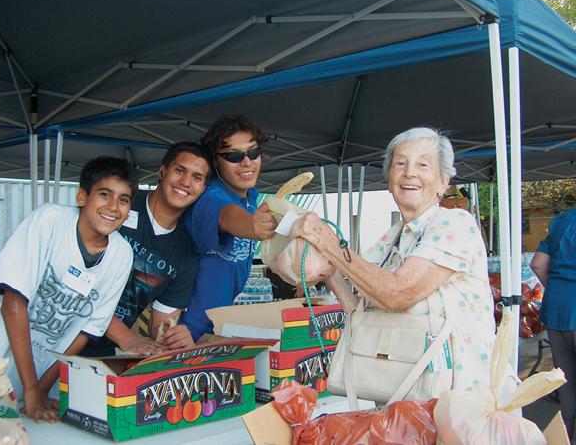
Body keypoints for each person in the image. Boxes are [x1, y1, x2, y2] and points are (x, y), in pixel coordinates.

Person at [291, 127, 495, 391]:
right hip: (405, 393)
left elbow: (398, 294)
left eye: (423, 164)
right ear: (389, 180)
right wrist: (332, 274)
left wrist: (329, 243)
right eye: (400, 163)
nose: (409, 172)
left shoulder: (454, 224)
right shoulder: (392, 238)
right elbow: (366, 316)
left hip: (458, 398)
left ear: (444, 181)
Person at [0, 156, 137, 423]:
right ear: (82, 197)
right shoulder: (50, 220)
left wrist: (40, 389)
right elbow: (13, 305)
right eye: (104, 195)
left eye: (123, 200)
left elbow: (87, 330)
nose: (113, 207)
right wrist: (32, 389)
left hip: (44, 383)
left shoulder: (122, 254)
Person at [81, 142, 213, 357]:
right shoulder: (120, 203)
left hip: (106, 353)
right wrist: (126, 337)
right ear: (162, 170)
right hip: (60, 328)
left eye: (197, 178)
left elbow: (161, 326)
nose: (186, 182)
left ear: (203, 189)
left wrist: (174, 339)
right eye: (179, 170)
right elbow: (75, 279)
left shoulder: (186, 255)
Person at [181, 115, 276, 341]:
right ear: (214, 161)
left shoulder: (251, 197)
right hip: (186, 333)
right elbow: (226, 217)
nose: (246, 162)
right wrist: (251, 225)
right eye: (233, 155)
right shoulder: (209, 197)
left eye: (253, 152)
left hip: (217, 329)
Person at [531, 211, 576, 442]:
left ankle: (566, 437)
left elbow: (538, 264)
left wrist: (560, 289)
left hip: (557, 309)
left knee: (566, 383)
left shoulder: (562, 221)